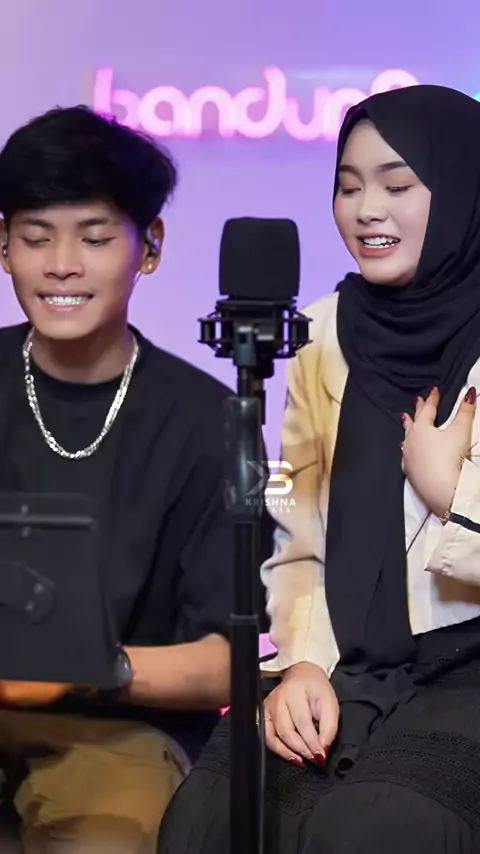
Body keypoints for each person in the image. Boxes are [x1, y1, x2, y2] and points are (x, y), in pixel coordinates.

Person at [157, 83, 480, 854]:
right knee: (210, 816)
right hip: (350, 660)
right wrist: (302, 661)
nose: (366, 210)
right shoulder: (323, 333)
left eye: (398, 186)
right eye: (348, 186)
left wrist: (449, 492)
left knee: (376, 827)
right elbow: (297, 532)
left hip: (467, 665)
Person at [0, 104, 242, 854]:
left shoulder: (207, 419)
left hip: (118, 729)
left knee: (108, 835)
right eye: (36, 237)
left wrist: (82, 671)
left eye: (95, 237)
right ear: (4, 247)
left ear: (150, 247)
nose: (62, 264)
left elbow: (229, 663)